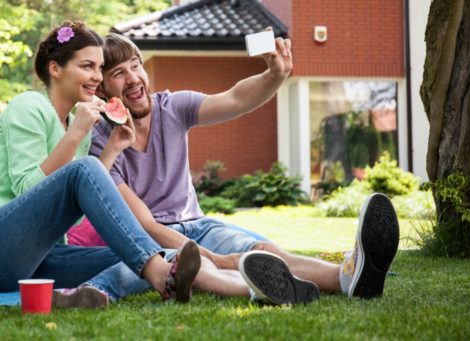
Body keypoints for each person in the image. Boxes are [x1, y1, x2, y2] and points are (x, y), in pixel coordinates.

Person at [0, 22, 308, 309]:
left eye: (98, 68)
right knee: (92, 176)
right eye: (87, 67)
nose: (96, 76)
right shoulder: (30, 106)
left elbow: (74, 205)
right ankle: (160, 273)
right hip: (6, 248)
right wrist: (78, 134)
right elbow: (29, 188)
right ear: (55, 69)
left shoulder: (77, 124)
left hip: (44, 258)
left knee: (162, 255)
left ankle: (255, 291)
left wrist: (112, 148)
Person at [81, 32, 400, 300]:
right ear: (105, 88)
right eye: (118, 74)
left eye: (135, 66)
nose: (133, 78)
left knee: (264, 251)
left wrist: (275, 75)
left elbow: (234, 99)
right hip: (153, 241)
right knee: (210, 266)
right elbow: (146, 225)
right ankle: (268, 289)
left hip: (198, 224)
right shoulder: (103, 144)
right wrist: (217, 258)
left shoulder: (173, 107)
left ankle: (349, 277)